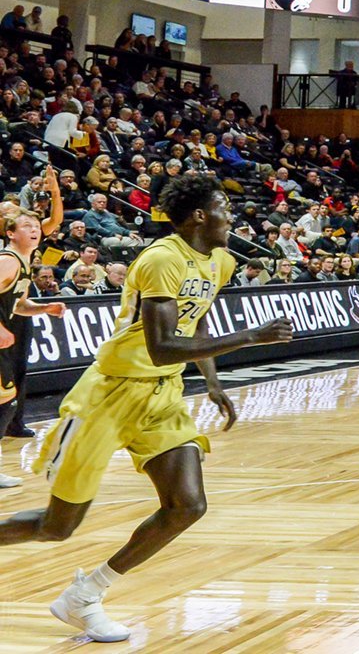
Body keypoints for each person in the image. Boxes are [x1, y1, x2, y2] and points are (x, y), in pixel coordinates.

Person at [2, 175, 293, 642]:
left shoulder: (218, 260)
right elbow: (161, 345)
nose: (231, 216)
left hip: (161, 394)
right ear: (199, 215)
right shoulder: (161, 259)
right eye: (223, 206)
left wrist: (213, 382)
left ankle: (85, 595)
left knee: (186, 505)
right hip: (109, 395)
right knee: (57, 527)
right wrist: (251, 336)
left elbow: (195, 326)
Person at [0, 213, 66, 489]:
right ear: (11, 233)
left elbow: (17, 304)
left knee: (6, 401)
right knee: (5, 403)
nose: (35, 229)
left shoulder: (24, 264)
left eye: (37, 226)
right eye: (27, 226)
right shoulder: (6, 261)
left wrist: (44, 308)